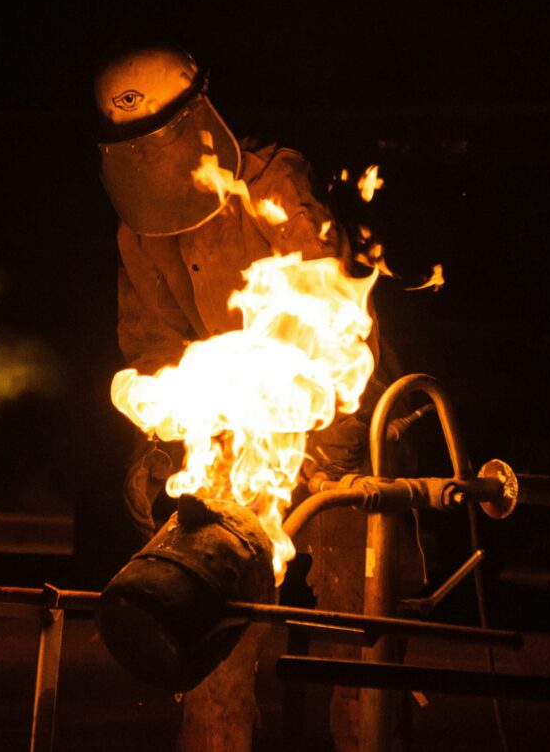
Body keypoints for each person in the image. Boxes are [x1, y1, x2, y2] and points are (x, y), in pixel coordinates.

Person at [94, 45, 421, 752]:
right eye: (135, 146)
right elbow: (151, 345)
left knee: (357, 644)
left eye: (162, 138)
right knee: (207, 637)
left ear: (199, 116)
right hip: (231, 443)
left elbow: (328, 322)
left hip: (338, 433)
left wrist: (300, 428)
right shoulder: (140, 227)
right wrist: (167, 437)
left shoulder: (273, 187)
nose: (154, 160)